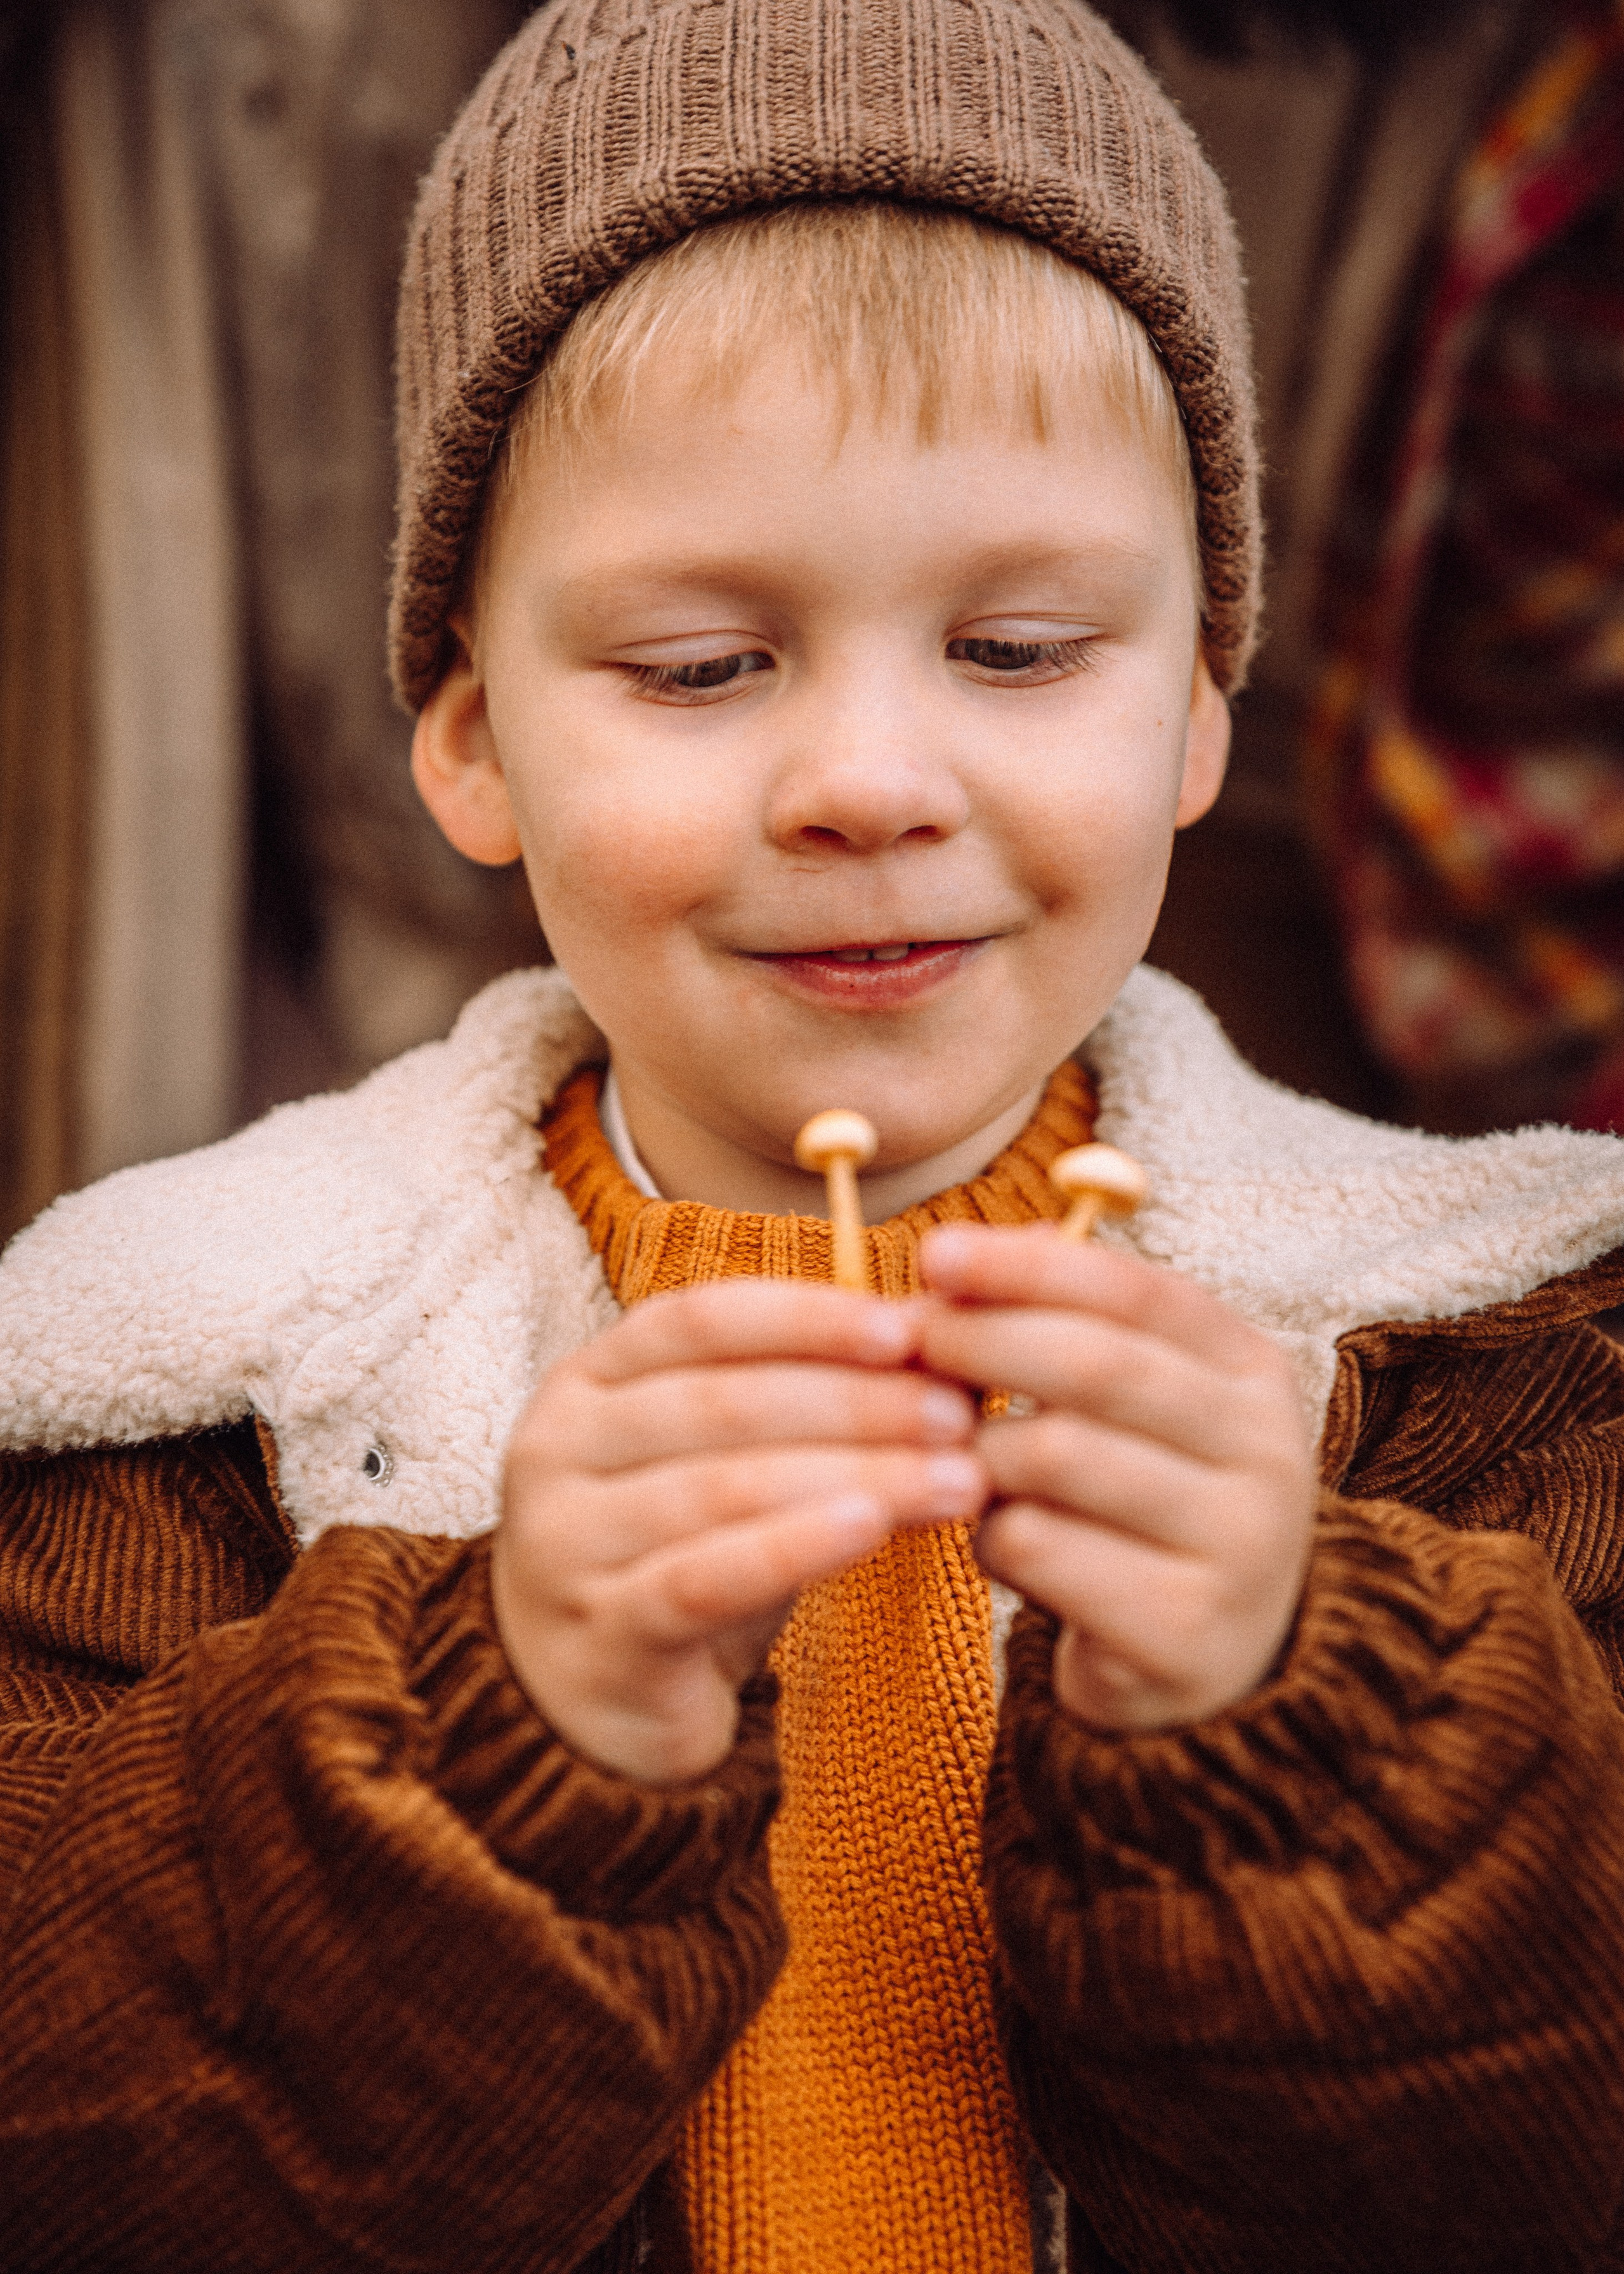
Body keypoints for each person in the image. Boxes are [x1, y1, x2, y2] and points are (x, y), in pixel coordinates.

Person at [3, 3, 1624, 2269]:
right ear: (469, 745)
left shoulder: (1510, 1361)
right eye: (700, 667)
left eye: (1025, 646)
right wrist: (497, 1742)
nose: (870, 779)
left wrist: (1299, 1721)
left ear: (1199, 715)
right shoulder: (174, 1385)